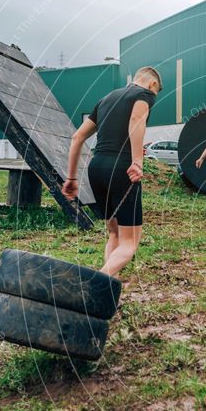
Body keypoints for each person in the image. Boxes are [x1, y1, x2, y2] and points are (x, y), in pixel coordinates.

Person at [61, 66, 162, 277]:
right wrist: (137, 162)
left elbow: (77, 137)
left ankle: (109, 289)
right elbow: (136, 120)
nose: (154, 97)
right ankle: (95, 284)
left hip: (97, 169)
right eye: (156, 92)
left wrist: (71, 177)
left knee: (114, 233)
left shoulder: (106, 98)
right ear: (152, 84)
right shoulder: (144, 94)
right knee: (130, 242)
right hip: (122, 169)